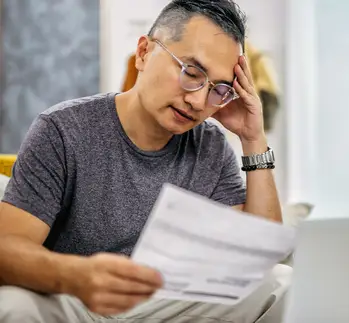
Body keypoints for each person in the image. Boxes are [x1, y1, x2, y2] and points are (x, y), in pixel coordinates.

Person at [0, 0, 284, 322]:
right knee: (11, 303)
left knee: (279, 282)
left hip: (165, 306)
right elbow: (6, 250)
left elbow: (258, 255)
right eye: (191, 72)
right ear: (144, 52)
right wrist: (77, 275)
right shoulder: (63, 129)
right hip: (77, 301)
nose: (197, 100)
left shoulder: (210, 145)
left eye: (217, 89)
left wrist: (253, 137)